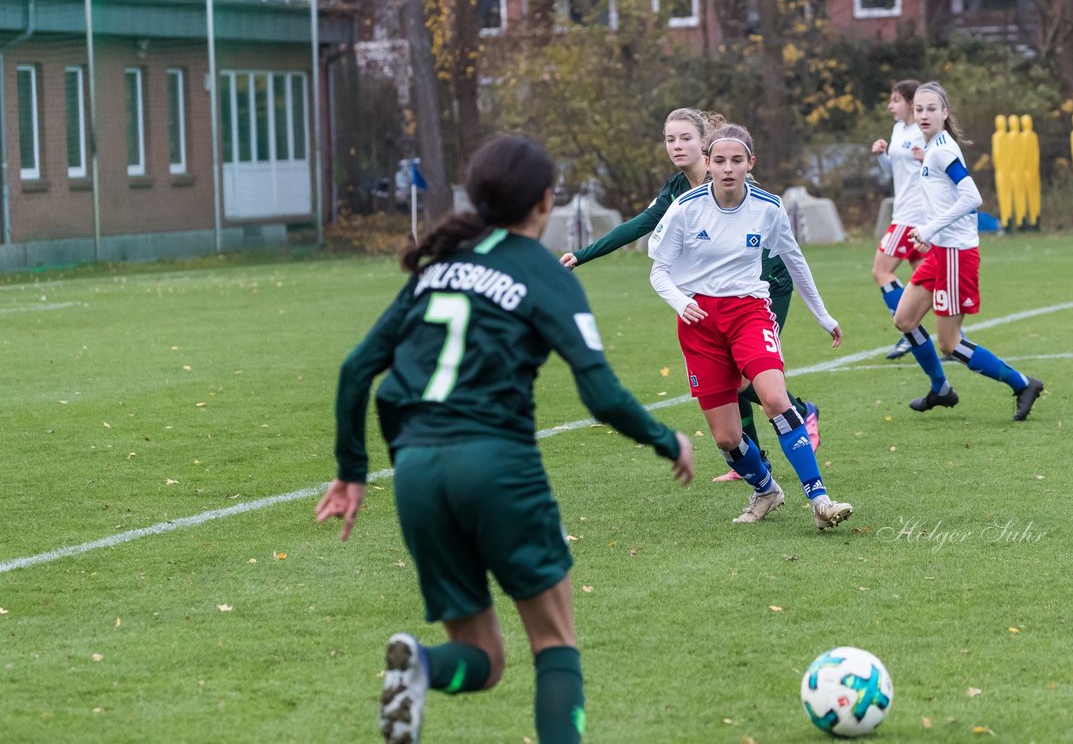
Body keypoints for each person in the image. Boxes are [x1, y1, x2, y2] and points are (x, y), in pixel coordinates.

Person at [316, 135, 694, 744]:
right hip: (496, 467)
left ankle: (421, 663)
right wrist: (665, 438)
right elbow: (600, 395)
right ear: (545, 202)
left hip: (415, 476)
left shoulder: (438, 265)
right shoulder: (544, 273)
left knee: (484, 660)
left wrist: (352, 471)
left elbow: (357, 368)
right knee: (554, 643)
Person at [560, 107, 821, 481]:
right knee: (727, 375)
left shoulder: (739, 182)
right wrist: (582, 255)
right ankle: (753, 456)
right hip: (713, 297)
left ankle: (799, 411)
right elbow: (641, 224)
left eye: (686, 138)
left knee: (748, 374)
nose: (678, 146)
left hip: (764, 287)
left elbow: (773, 252)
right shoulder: (678, 189)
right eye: (670, 139)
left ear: (705, 144)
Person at [648, 123, 853, 530]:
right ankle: (766, 490)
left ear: (750, 164)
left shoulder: (768, 207)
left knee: (775, 399)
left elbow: (795, 262)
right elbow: (660, 271)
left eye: (736, 161)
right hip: (700, 322)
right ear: (707, 164)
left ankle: (820, 499)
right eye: (719, 160)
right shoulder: (686, 208)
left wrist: (823, 315)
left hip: (749, 311)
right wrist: (681, 301)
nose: (727, 168)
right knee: (726, 438)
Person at [891, 82, 1045, 421]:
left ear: (945, 113)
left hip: (956, 256)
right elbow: (944, 200)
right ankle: (940, 388)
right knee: (904, 319)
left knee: (949, 343)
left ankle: (1022, 383)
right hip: (939, 252)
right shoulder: (931, 148)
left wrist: (931, 229)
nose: (924, 114)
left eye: (932, 108)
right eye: (919, 109)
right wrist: (930, 233)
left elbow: (971, 196)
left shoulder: (943, 150)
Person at [869, 80, 928, 362]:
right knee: (926, 279)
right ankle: (956, 338)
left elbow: (937, 167)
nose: (891, 106)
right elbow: (893, 172)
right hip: (907, 213)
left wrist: (925, 159)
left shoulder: (923, 130)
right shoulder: (898, 129)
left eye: (895, 100)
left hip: (912, 216)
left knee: (881, 271)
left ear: (909, 102)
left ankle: (910, 331)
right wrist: (882, 156)